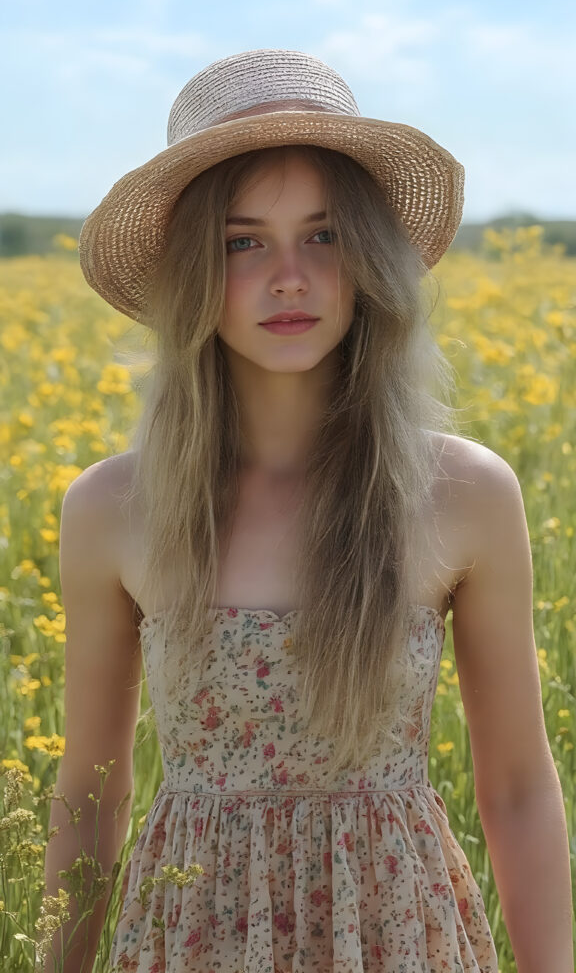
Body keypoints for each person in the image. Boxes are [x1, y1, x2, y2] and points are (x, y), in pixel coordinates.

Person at [43, 49, 573, 972]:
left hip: (399, 940)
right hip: (196, 940)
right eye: (243, 242)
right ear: (192, 272)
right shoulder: (112, 508)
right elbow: (91, 800)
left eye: (323, 236)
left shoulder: (464, 493)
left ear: (367, 258)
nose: (289, 277)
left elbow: (520, 787)